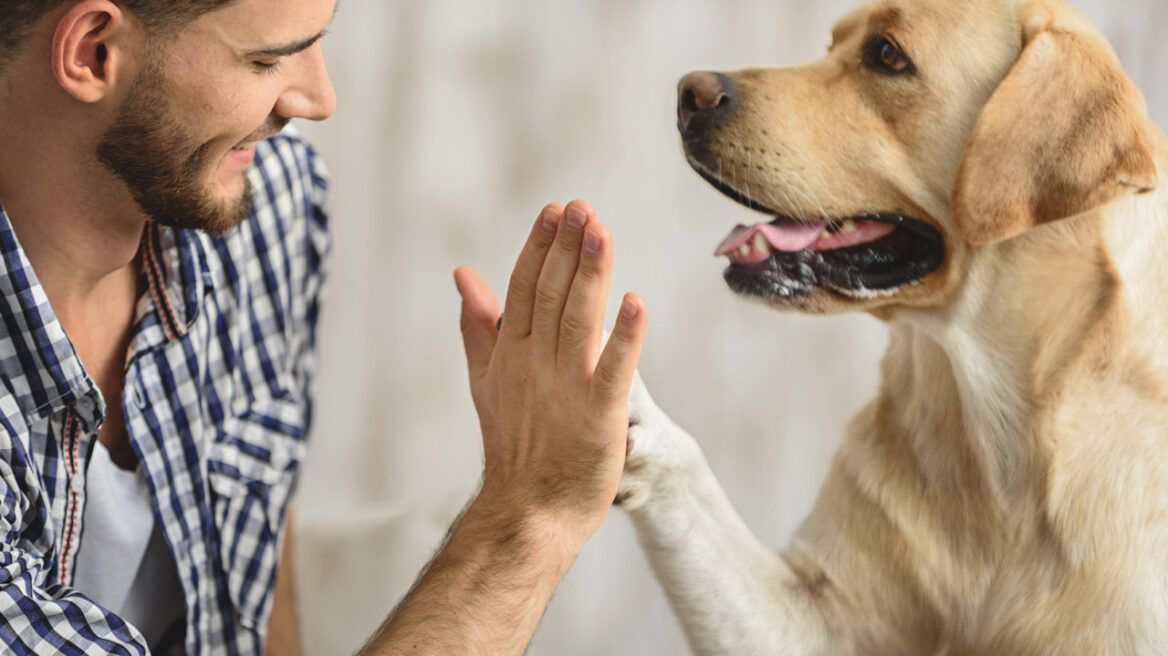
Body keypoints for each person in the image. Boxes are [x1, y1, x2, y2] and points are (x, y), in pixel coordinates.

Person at [0, 0, 647, 654]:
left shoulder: (266, 203)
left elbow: (256, 565)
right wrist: (534, 514)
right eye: (266, 60)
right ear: (92, 52)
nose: (318, 99)